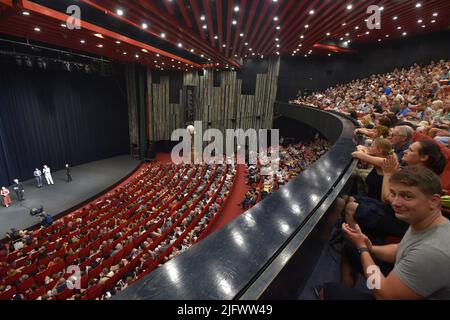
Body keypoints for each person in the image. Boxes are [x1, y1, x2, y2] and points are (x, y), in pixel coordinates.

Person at [321, 166, 450, 300]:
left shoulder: (433, 252)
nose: (395, 202)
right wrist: (370, 248)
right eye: (394, 194)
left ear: (434, 201)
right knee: (349, 249)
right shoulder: (427, 223)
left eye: (407, 196)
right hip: (405, 279)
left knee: (327, 292)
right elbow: (399, 249)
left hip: (387, 295)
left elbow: (384, 295)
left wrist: (363, 249)